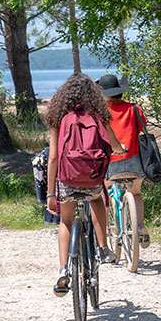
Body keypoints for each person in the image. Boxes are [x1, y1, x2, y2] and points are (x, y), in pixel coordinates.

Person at [45, 73, 125, 297]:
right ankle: (102, 248)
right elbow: (113, 144)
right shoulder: (99, 114)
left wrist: (51, 193)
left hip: (67, 179)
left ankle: (63, 270)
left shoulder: (58, 117)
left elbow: (52, 158)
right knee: (98, 198)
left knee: (66, 220)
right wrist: (120, 150)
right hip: (91, 178)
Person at [97, 74, 150, 248]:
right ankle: (140, 226)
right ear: (120, 91)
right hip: (134, 161)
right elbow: (143, 131)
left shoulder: (100, 113)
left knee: (103, 196)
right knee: (135, 193)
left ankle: (105, 231)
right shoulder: (134, 109)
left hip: (110, 163)